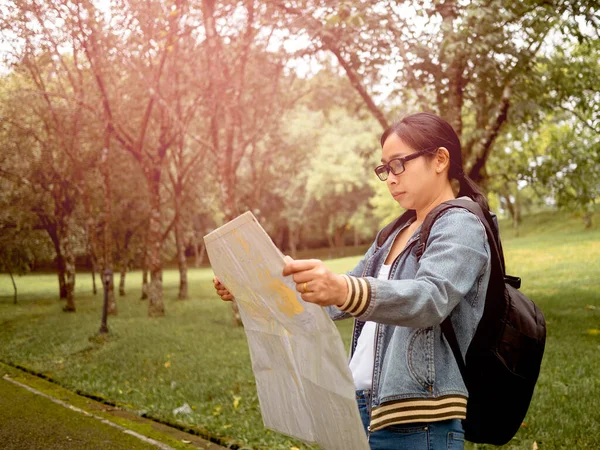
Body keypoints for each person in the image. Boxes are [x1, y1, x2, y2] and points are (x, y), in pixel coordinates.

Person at [213, 112, 492, 449]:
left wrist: (344, 289)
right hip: (363, 410)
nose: (390, 178)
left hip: (419, 422)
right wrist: (254, 289)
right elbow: (332, 299)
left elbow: (429, 299)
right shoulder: (394, 233)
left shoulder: (461, 224)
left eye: (399, 164)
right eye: (385, 169)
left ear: (440, 159)